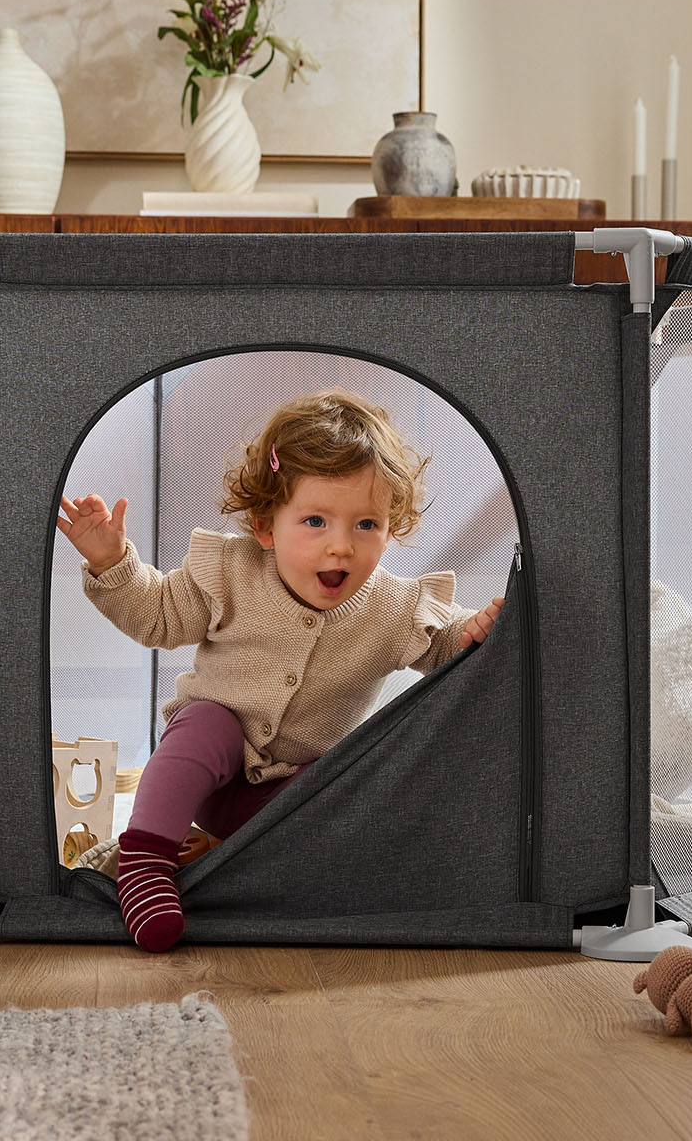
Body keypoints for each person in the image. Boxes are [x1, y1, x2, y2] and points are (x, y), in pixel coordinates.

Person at [58, 388, 505, 951]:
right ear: (266, 525)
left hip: (292, 797)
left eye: (366, 524)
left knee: (350, 794)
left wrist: (478, 630)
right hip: (209, 777)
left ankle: (227, 862)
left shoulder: (395, 607)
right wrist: (109, 561)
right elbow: (158, 618)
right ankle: (146, 861)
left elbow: (444, 648)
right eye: (315, 521)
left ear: (392, 527)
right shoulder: (229, 572)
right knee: (203, 724)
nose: (340, 546)